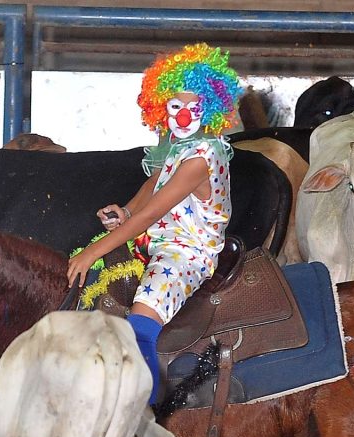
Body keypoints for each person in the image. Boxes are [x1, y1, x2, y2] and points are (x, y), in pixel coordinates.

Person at [66, 43, 243, 404]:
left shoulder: (202, 158)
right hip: (155, 242)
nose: (181, 116)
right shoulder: (181, 148)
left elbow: (154, 212)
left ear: (208, 109)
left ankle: (142, 416)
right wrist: (126, 212)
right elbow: (154, 185)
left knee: (140, 327)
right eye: (175, 107)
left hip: (186, 254)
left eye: (192, 108)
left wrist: (91, 252)